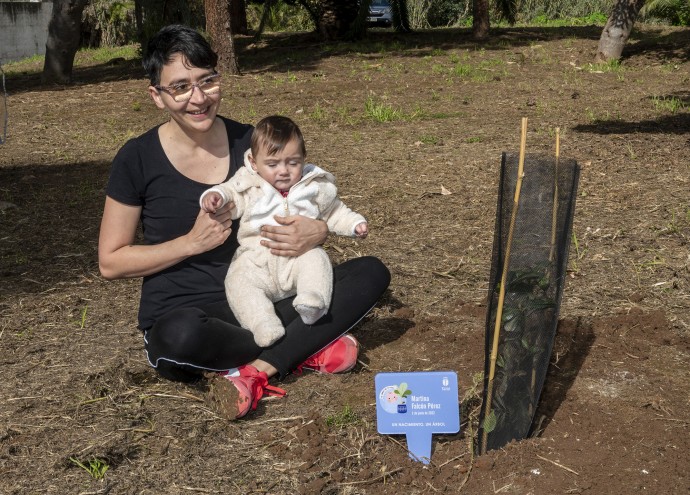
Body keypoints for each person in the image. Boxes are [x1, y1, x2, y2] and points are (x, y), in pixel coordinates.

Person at [97, 24, 390, 420]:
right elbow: (111, 261)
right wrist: (190, 243)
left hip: (268, 296)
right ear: (157, 96)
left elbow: (310, 197)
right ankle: (303, 347)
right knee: (179, 336)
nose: (198, 98)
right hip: (190, 317)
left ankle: (257, 370)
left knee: (371, 272)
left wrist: (318, 230)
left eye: (207, 81)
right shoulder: (137, 158)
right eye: (180, 87)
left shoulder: (252, 144)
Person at [200, 115, 368, 348]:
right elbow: (230, 192)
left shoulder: (313, 186)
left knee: (317, 259)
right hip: (257, 262)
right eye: (272, 164)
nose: (283, 171)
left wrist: (353, 224)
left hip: (297, 260)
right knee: (238, 281)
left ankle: (312, 301)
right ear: (254, 162)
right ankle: (262, 323)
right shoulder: (249, 184)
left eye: (293, 162)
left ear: (304, 159)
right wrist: (215, 197)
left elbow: (335, 211)